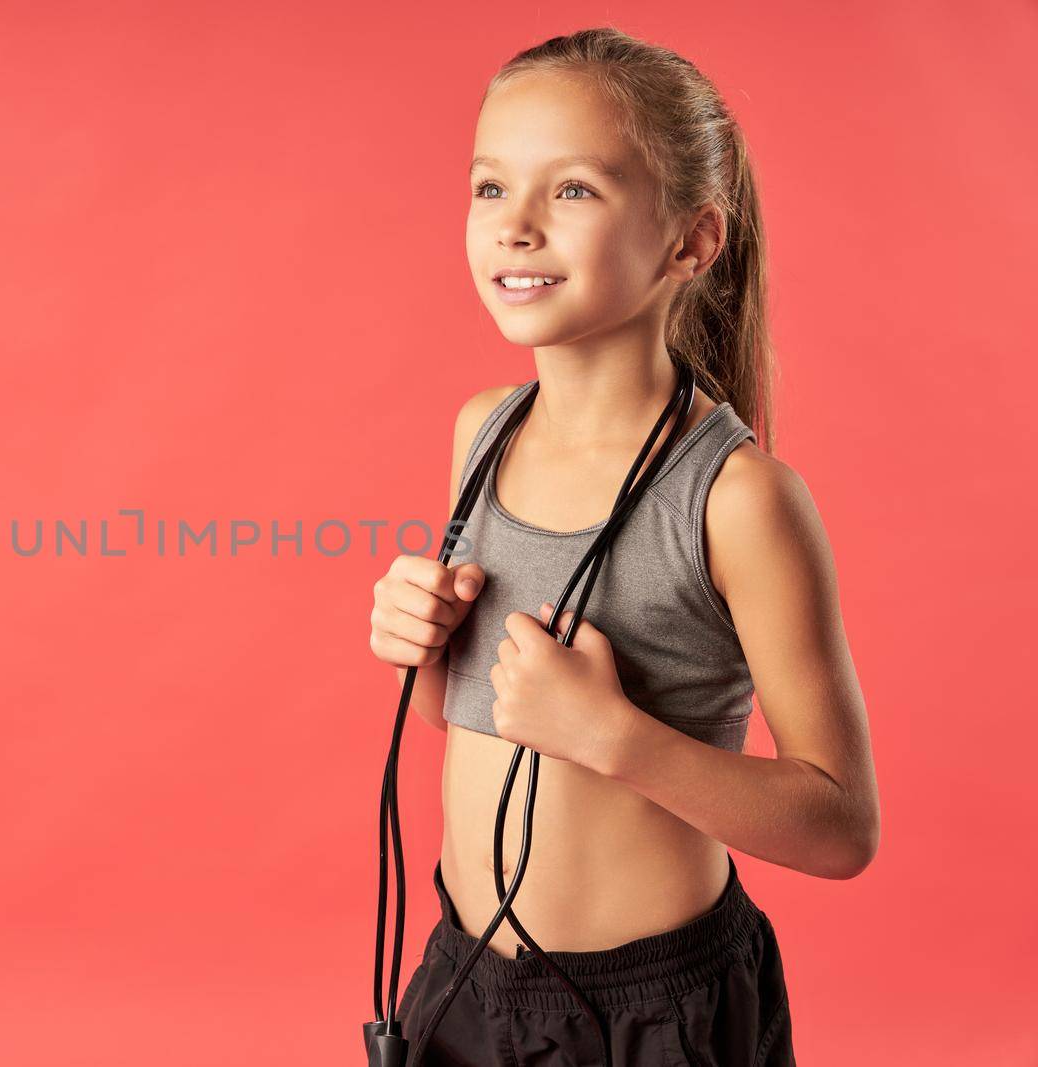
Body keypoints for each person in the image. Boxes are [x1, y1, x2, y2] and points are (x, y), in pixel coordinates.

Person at [367, 27, 880, 1066]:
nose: (514, 226)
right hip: (460, 983)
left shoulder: (738, 500)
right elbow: (471, 717)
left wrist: (614, 735)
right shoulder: (483, 431)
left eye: (572, 192)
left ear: (691, 243)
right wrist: (422, 646)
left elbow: (839, 825)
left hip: (648, 1019)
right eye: (488, 187)